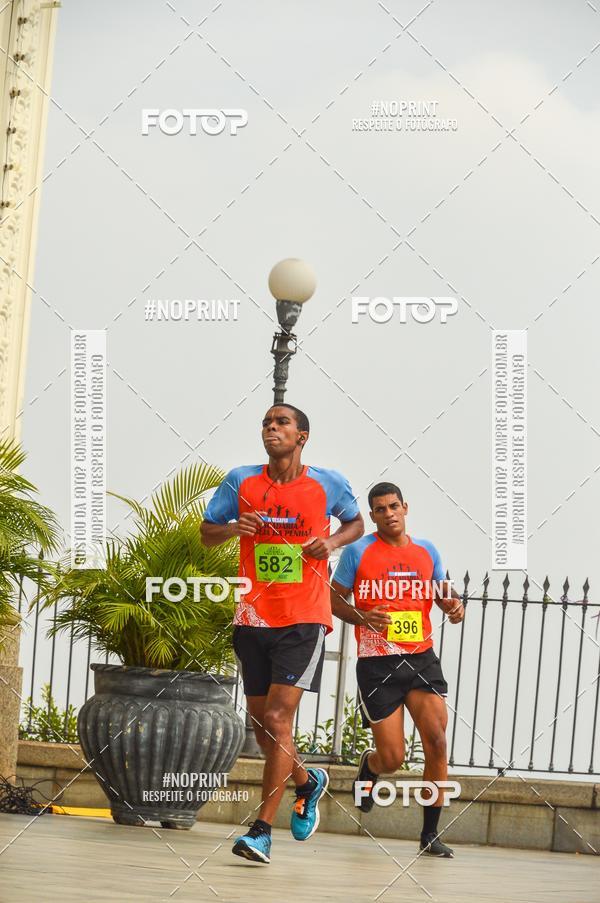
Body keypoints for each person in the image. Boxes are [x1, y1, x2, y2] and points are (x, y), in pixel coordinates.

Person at [201, 404, 364, 863]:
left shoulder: (327, 482)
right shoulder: (241, 480)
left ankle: (260, 831)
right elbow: (206, 533)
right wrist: (234, 527)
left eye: (282, 423)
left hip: (304, 618)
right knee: (263, 727)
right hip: (253, 617)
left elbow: (356, 522)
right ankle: (307, 782)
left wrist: (331, 542)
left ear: (302, 437)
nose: (272, 429)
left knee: (277, 720)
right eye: (267, 424)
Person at [330, 481, 464, 858]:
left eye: (394, 506)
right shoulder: (358, 551)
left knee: (437, 739)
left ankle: (430, 834)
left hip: (421, 658)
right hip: (378, 663)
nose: (389, 514)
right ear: (372, 516)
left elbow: (443, 595)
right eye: (380, 509)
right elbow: (332, 600)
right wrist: (361, 615)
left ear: (405, 507)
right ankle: (369, 769)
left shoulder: (427, 551)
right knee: (393, 757)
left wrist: (454, 607)